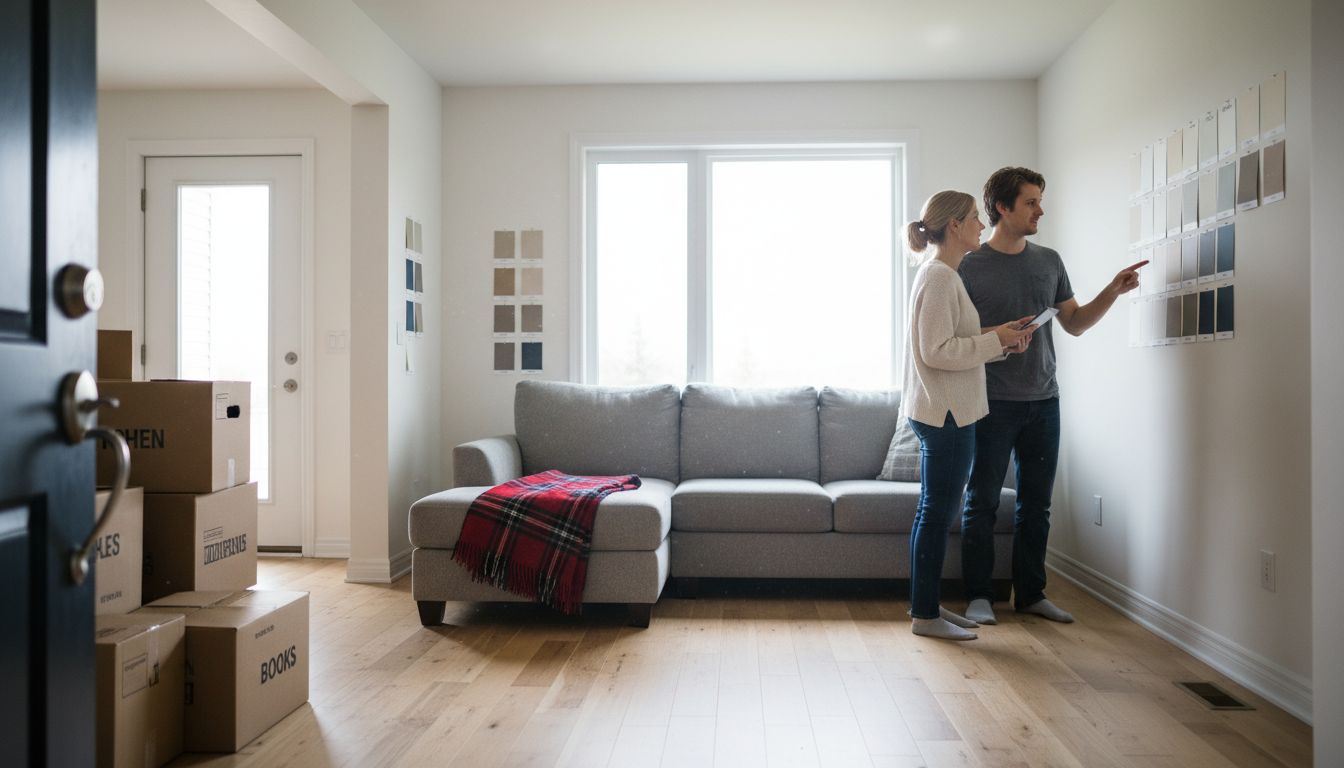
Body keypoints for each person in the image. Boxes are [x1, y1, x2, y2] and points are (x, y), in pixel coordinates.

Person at [958, 167, 1146, 625]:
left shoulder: (1049, 260)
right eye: (1031, 202)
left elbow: (1076, 323)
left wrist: (1114, 290)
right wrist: (998, 335)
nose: (1040, 210)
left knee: (1036, 505)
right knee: (981, 501)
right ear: (1003, 208)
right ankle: (979, 596)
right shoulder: (968, 265)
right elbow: (955, 335)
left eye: (1041, 201)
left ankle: (1032, 594)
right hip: (989, 402)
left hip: (1044, 402)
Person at [900, 190, 1035, 641]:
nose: (981, 225)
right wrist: (995, 341)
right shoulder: (939, 276)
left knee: (932, 513)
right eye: (975, 218)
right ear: (954, 226)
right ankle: (925, 616)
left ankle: (926, 609)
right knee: (936, 515)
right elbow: (935, 351)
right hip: (948, 415)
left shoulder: (941, 275)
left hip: (946, 410)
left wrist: (1000, 339)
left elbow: (954, 343)